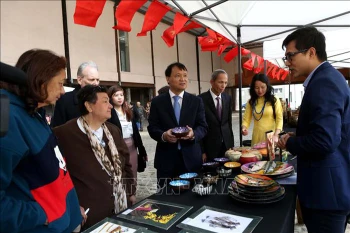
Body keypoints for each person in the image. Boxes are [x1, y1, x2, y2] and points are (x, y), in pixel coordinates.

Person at [277, 26, 350, 233]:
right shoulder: (326, 78)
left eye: (290, 56)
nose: (288, 63)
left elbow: (325, 140)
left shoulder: (325, 81)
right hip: (327, 190)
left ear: (311, 52)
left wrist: (290, 142)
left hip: (326, 194)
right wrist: (299, 135)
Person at [0, 50, 82, 232]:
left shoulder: (35, 113)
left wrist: (72, 207)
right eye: (60, 84)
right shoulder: (10, 119)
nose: (62, 91)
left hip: (64, 220)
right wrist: (39, 214)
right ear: (41, 79)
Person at [53, 85, 136, 229]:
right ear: (89, 106)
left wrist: (130, 192)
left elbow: (126, 163)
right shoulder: (63, 134)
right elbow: (57, 176)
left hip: (121, 208)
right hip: (90, 215)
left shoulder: (113, 131)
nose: (110, 105)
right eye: (105, 101)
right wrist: (71, 205)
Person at [147, 62, 207, 189]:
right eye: (178, 75)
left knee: (192, 197)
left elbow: (203, 126)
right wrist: (163, 135)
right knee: (166, 197)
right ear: (168, 79)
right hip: (166, 160)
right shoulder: (157, 102)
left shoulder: (196, 101)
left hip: (191, 160)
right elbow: (152, 127)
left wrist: (193, 134)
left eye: (185, 75)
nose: (183, 79)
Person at [107, 85, 148, 179]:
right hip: (118, 147)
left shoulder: (128, 111)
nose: (119, 97)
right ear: (110, 97)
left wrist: (142, 150)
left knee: (133, 172)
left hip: (132, 146)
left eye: (121, 95)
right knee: (121, 173)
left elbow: (136, 133)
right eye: (116, 95)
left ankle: (132, 192)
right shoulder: (109, 112)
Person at [199, 69, 234, 162]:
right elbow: (199, 126)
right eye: (220, 82)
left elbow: (228, 123)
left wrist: (231, 145)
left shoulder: (227, 98)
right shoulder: (201, 99)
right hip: (209, 147)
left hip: (226, 145)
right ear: (212, 82)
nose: (223, 86)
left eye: (225, 83)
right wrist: (202, 151)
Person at [50, 61, 100, 127]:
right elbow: (57, 129)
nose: (96, 83)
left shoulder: (103, 100)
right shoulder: (65, 100)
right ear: (79, 80)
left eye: (97, 80)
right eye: (92, 79)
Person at [241, 74, 283, 146]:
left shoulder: (274, 100)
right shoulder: (251, 102)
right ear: (253, 88)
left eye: (263, 87)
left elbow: (279, 118)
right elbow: (246, 119)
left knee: (270, 156)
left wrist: (276, 134)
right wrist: (244, 128)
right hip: (257, 137)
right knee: (257, 156)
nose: (260, 90)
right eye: (257, 88)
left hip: (271, 137)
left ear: (267, 86)